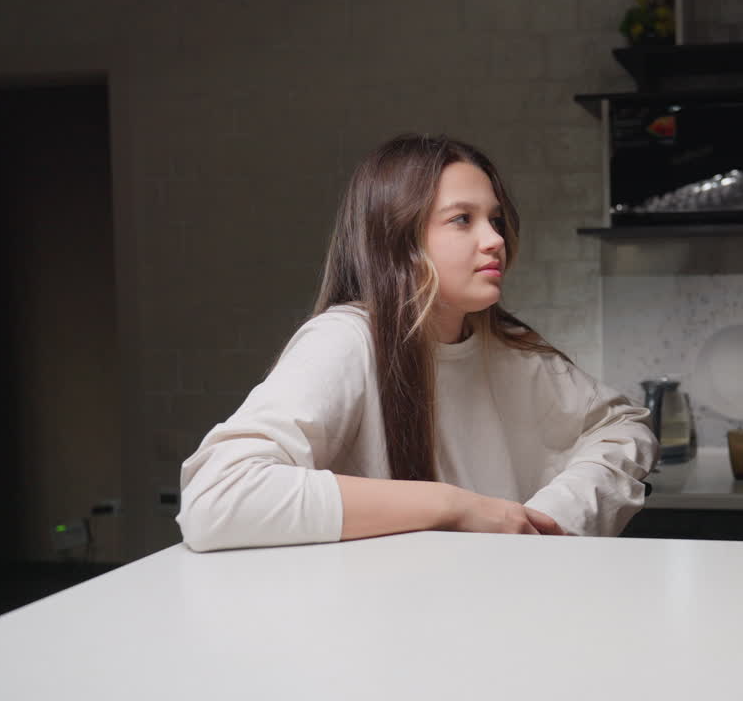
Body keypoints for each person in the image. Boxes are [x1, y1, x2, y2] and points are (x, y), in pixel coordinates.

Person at [177, 133, 657, 552]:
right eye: (462, 220)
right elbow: (217, 496)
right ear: (398, 241)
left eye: (494, 218)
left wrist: (551, 519)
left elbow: (623, 428)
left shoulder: (506, 348)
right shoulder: (346, 339)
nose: (495, 239)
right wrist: (455, 508)